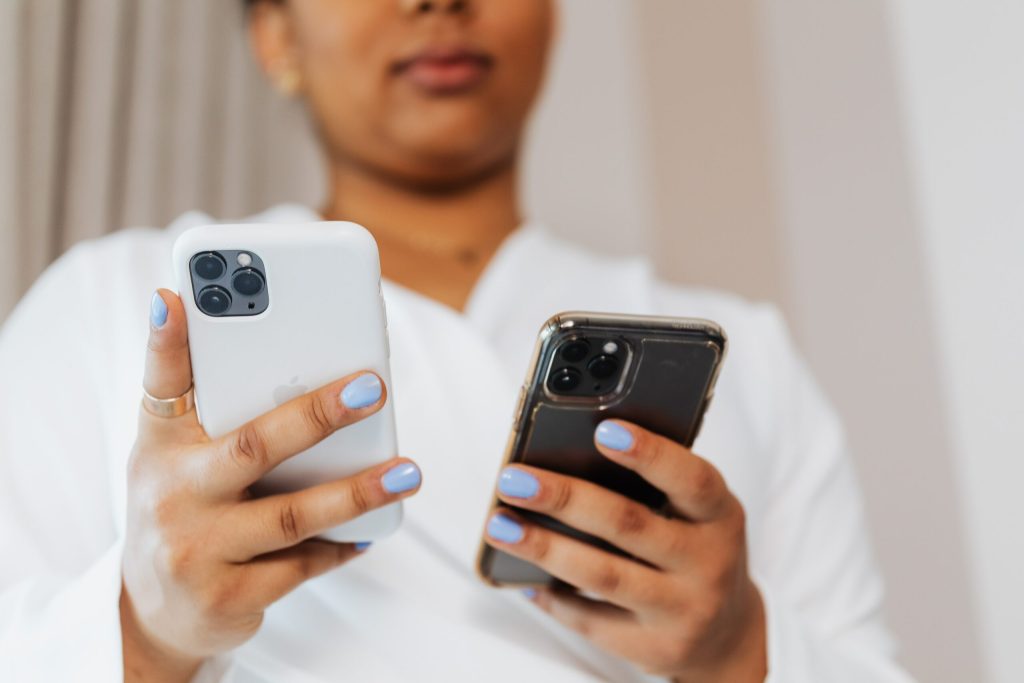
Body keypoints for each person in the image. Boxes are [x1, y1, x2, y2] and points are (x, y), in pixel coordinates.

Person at [0, 1, 915, 681]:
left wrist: (741, 648)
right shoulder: (114, 301)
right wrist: (145, 629)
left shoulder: (743, 352)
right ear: (276, 37)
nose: (438, 2)